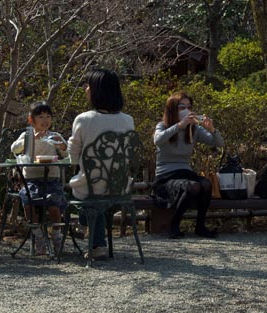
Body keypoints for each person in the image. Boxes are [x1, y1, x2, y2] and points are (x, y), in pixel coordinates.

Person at [68, 68, 135, 261]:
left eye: (87, 85)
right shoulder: (128, 120)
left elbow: (72, 157)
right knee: (97, 192)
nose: (85, 89)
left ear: (97, 90)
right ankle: (88, 231)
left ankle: (95, 242)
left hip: (92, 185)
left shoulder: (83, 119)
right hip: (119, 185)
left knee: (84, 192)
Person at [152, 91, 225, 238]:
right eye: (181, 107)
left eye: (189, 107)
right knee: (192, 186)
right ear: (172, 109)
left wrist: (212, 129)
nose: (186, 110)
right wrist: (179, 125)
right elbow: (158, 140)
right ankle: (174, 224)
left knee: (205, 184)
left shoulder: (194, 129)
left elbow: (218, 143)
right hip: (165, 177)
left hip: (185, 172)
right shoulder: (163, 126)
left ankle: (200, 226)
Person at [11, 101, 68, 255]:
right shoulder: (27, 135)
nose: (45, 120)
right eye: (41, 117)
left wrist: (61, 145)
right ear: (32, 119)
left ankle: (57, 234)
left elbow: (66, 154)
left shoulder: (54, 135)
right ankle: (38, 235)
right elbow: (14, 148)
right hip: (31, 179)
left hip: (52, 178)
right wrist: (31, 140)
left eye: (48, 116)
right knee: (28, 201)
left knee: (54, 202)